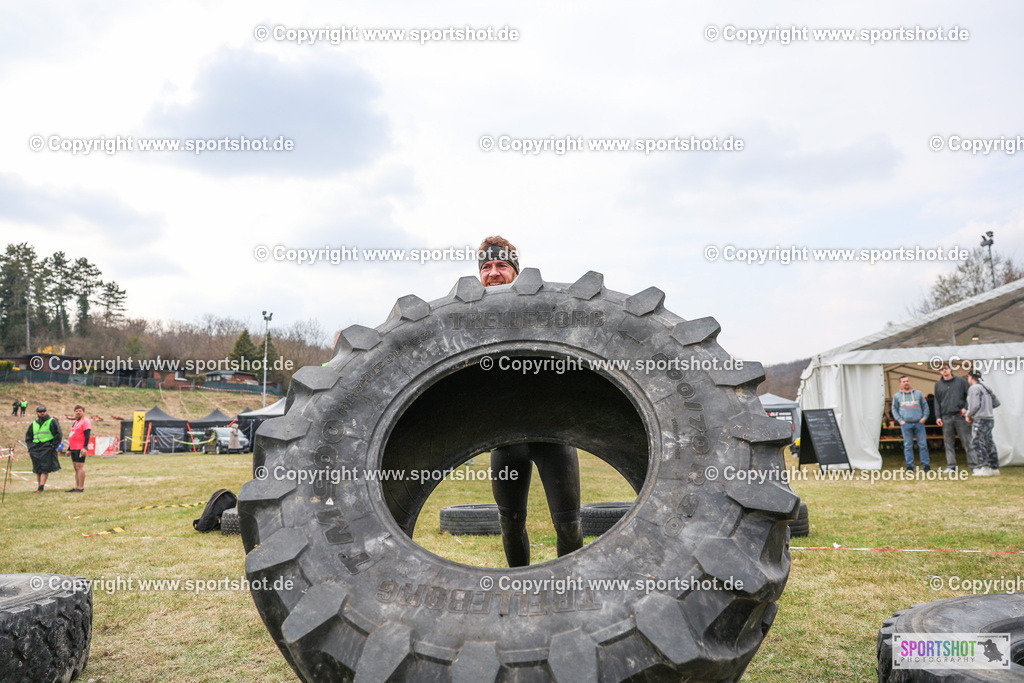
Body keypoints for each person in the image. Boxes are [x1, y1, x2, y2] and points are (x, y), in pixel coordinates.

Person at [480, 236, 584, 566]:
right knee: (510, 526)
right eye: (486, 267)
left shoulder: (541, 313)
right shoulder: (470, 324)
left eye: (502, 266)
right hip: (505, 440)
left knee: (569, 525)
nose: (493, 273)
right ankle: (519, 592)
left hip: (553, 436)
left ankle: (568, 589)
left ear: (516, 272)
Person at [933, 363, 973, 473]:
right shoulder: (938, 384)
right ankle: (951, 467)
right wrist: (938, 416)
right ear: (939, 371)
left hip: (960, 416)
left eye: (946, 368)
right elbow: (937, 401)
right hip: (946, 417)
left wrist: (966, 408)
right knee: (948, 443)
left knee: (968, 441)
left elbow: (970, 395)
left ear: (950, 369)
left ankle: (975, 466)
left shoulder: (961, 381)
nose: (944, 370)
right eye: (941, 369)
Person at [891, 376, 930, 472]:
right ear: (900, 384)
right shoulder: (897, 396)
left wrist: (924, 417)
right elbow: (894, 409)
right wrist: (900, 420)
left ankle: (926, 466)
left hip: (919, 424)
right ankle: (909, 467)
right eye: (904, 382)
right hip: (906, 424)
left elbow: (925, 406)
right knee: (908, 446)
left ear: (910, 382)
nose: (906, 383)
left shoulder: (918, 394)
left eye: (907, 381)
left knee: (923, 445)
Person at [966, 371, 999, 476]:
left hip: (980, 419)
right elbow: (996, 402)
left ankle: (984, 467)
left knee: (978, 443)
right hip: (989, 418)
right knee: (989, 442)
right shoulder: (986, 387)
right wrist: (987, 408)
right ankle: (994, 467)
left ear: (971, 377)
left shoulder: (973, 388)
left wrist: (968, 414)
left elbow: (974, 405)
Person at [25, 406, 62, 492]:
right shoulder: (34, 423)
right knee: (38, 469)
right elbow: (28, 436)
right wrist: (30, 447)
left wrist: (53, 446)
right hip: (35, 448)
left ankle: (41, 487)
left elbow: (58, 434)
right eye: (40, 411)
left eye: (44, 411)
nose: (42, 413)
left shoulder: (52, 421)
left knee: (45, 468)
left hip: (47, 447)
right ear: (37, 413)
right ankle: (39, 487)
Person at [66, 404, 91, 492]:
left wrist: (85, 447)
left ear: (83, 412)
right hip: (73, 448)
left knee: (80, 467)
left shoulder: (85, 421)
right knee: (76, 467)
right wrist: (69, 449)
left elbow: (87, 435)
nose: (78, 412)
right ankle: (76, 486)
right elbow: (72, 435)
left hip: (80, 448)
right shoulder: (76, 422)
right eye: (76, 411)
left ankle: (81, 487)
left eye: (80, 411)